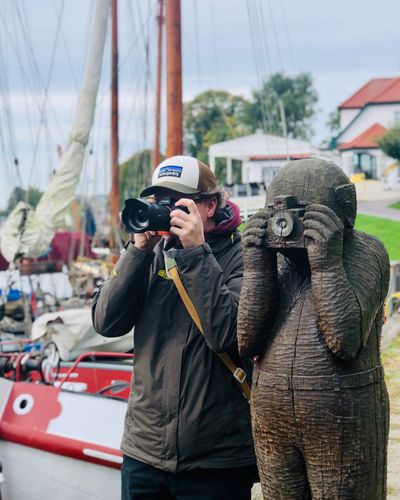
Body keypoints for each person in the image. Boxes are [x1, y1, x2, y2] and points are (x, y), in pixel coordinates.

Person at [92, 155, 256, 500]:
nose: (166, 209)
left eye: (177, 201)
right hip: (144, 452)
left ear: (210, 205)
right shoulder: (149, 254)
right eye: (158, 201)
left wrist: (195, 252)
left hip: (215, 461)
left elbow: (229, 334)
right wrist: (137, 252)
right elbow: (106, 322)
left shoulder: (244, 258)